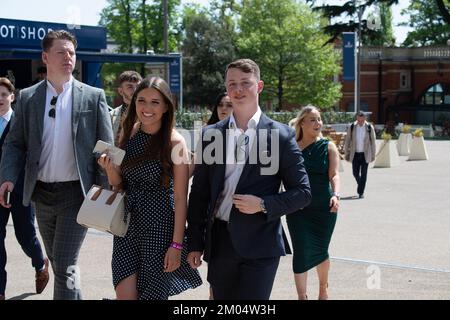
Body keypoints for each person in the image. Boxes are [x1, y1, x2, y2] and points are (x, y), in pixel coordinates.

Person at [0, 30, 113, 300]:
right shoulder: (28, 98)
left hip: (77, 194)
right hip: (41, 195)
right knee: (61, 263)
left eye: (72, 52)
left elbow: (106, 148)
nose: (68, 57)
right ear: (45, 57)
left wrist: (107, 190)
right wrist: (8, 177)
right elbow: (15, 144)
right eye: (61, 52)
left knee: (63, 262)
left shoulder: (92, 96)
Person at [186, 58, 311, 300]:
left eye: (245, 83)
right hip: (220, 243)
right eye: (232, 84)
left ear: (259, 86)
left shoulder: (280, 135)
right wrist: (195, 242)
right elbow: (199, 193)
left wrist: (263, 204)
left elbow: (303, 193)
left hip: (261, 243)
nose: (238, 89)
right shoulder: (212, 135)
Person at [98, 76, 202, 300]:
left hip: (159, 229)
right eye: (141, 100)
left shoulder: (176, 143)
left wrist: (176, 245)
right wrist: (109, 169)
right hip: (127, 226)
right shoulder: (132, 131)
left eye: (155, 102)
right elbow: (119, 183)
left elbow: (181, 198)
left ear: (166, 106)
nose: (146, 108)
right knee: (124, 295)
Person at [0, 77, 49, 300]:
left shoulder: (20, 122)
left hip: (19, 189)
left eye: (3, 94)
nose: (0, 99)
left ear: (12, 97)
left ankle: (40, 263)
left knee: (25, 236)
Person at [287, 105, 340, 300]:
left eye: (319, 119)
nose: (318, 123)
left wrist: (336, 195)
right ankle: (302, 296)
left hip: (323, 208)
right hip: (297, 209)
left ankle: (323, 290)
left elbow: (334, 175)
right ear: (302, 123)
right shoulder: (290, 146)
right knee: (300, 251)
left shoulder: (328, 146)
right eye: (313, 119)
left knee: (320, 250)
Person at [343, 110, 376, 198]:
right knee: (355, 173)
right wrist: (346, 152)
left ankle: (361, 192)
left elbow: (373, 141)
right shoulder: (352, 126)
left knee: (364, 173)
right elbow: (347, 140)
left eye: (362, 120)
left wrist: (373, 154)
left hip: (366, 153)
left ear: (365, 118)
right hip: (355, 154)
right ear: (357, 118)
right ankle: (360, 184)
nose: (360, 122)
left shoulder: (369, 127)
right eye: (359, 120)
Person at [110, 71, 142, 145]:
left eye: (138, 86)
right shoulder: (111, 116)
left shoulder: (148, 113)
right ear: (121, 91)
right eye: (130, 87)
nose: (135, 90)